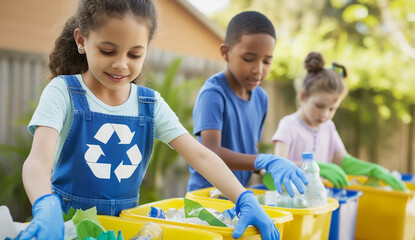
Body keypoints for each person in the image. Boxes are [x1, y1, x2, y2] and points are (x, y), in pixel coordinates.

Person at [19, 1, 281, 239]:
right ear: (81, 40)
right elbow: (38, 161)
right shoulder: (63, 91)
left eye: (134, 54)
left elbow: (201, 156)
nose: (121, 64)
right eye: (108, 51)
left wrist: (245, 199)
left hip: (125, 230)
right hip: (64, 227)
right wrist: (45, 205)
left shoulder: (149, 103)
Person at [186, 11, 308, 197]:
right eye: (249, 59)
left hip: (239, 196)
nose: (258, 70)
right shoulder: (213, 94)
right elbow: (210, 151)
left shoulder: (261, 98)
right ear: (225, 53)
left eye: (267, 61)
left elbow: (250, 152)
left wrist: (274, 168)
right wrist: (264, 161)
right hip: (207, 198)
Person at [272, 51, 406, 190]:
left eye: (332, 109)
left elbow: (344, 162)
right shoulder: (289, 125)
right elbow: (278, 164)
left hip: (319, 200)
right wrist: (315, 167)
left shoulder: (328, 127)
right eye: (319, 106)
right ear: (303, 95)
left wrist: (373, 170)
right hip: (291, 200)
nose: (324, 114)